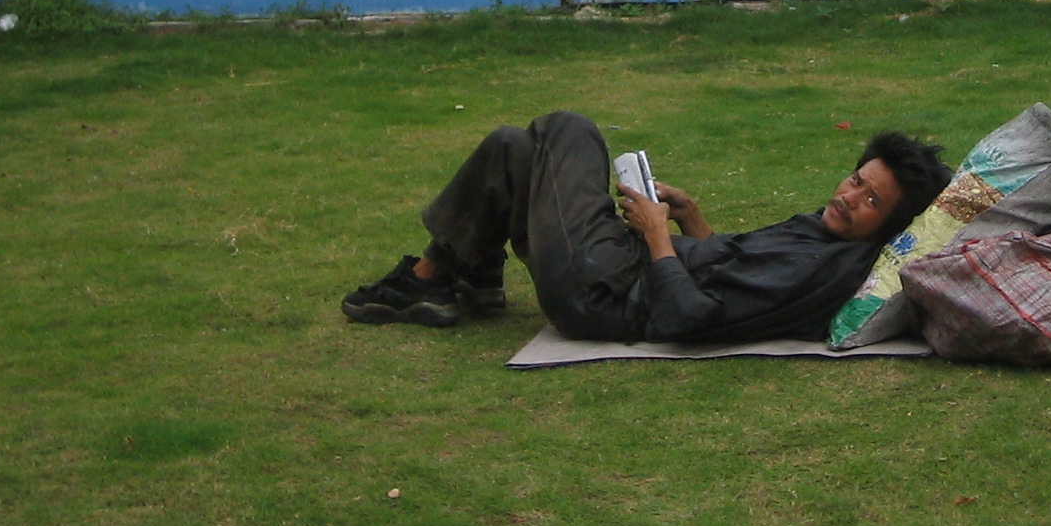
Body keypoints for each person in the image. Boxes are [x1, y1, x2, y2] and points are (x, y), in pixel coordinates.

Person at [342, 112, 950, 346]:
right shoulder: (825, 234)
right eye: (856, 180)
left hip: (603, 293)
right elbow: (731, 268)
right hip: (619, 269)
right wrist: (688, 215)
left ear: (890, 225)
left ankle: (437, 277)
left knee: (569, 131)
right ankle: (461, 276)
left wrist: (658, 235)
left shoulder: (821, 266)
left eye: (871, 201)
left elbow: (691, 318)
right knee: (512, 147)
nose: (849, 197)